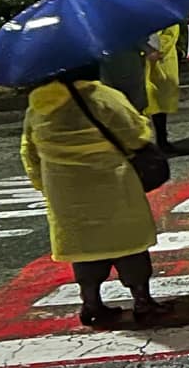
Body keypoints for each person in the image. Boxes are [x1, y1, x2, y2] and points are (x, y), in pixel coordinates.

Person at [20, 65, 174, 328]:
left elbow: (29, 152)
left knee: (85, 249)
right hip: (112, 184)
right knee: (129, 246)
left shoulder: (38, 106)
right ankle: (142, 302)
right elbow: (135, 134)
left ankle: (91, 304)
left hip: (65, 192)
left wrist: (44, 185)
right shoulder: (102, 96)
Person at [123, 0, 183, 153]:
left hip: (159, 59)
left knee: (159, 101)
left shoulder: (162, 1)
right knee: (137, 101)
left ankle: (162, 140)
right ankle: (141, 142)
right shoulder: (124, 3)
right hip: (136, 58)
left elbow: (172, 28)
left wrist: (160, 49)